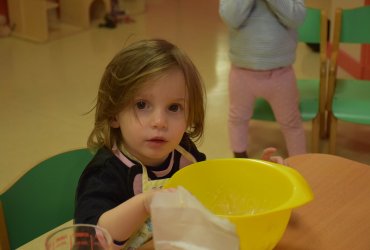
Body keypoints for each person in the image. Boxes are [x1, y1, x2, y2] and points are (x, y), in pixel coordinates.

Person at [74, 39, 284, 250]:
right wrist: (144, 203)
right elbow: (91, 237)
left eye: (174, 107)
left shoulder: (184, 152)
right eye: (142, 105)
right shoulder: (105, 173)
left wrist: (260, 179)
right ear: (113, 115)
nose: (160, 122)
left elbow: (213, 190)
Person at [219, 0, 307, 158]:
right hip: (242, 71)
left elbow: (296, 18)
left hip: (281, 73)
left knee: (291, 122)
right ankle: (240, 158)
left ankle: (300, 162)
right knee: (238, 118)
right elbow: (231, 18)